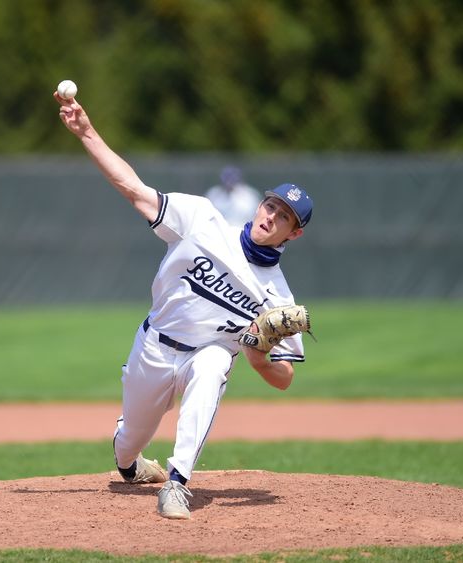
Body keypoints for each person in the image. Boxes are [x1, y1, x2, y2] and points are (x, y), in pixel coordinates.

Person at [55, 92, 313, 519]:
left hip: (204, 356)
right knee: (128, 447)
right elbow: (133, 190)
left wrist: (260, 359)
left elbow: (285, 377)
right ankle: (132, 460)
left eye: (284, 216)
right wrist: (87, 132)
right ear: (259, 203)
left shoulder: (279, 298)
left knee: (214, 364)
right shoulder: (202, 219)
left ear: (294, 234)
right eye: (271, 205)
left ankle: (177, 483)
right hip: (154, 348)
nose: (271, 216)